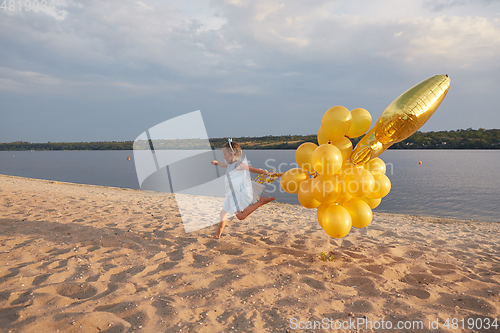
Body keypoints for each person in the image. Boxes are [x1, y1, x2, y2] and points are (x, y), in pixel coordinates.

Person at [211, 139, 276, 238]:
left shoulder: (239, 164)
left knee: (240, 216)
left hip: (237, 194)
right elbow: (222, 164)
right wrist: (216, 163)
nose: (223, 156)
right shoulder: (229, 163)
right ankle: (217, 236)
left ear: (232, 154)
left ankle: (261, 201)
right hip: (230, 194)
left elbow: (254, 170)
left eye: (224, 154)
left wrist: (268, 173)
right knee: (223, 214)